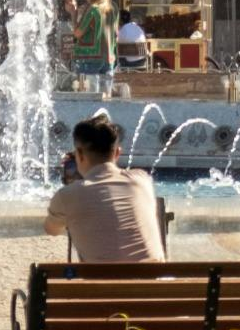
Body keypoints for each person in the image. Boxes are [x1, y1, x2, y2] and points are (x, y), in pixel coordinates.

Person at [43, 111, 164, 264]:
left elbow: (51, 229)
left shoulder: (67, 196)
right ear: (117, 153)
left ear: (79, 154)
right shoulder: (142, 181)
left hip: (99, 287)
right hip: (155, 286)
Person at [69, 0, 117, 89]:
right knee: (106, 99)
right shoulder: (113, 8)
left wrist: (73, 14)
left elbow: (77, 33)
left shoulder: (93, 10)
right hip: (108, 59)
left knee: (91, 99)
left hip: (90, 58)